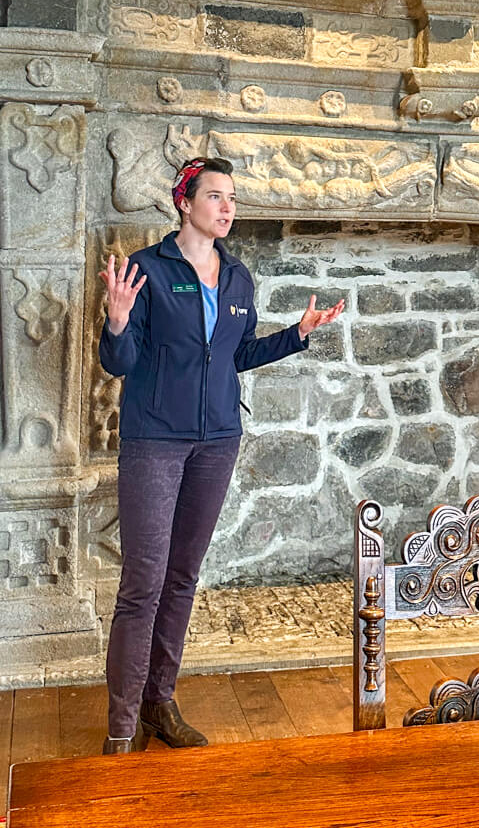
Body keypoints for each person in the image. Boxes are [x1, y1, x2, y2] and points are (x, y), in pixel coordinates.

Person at [98, 156, 344, 754]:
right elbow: (120, 364)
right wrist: (117, 319)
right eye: (215, 196)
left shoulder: (237, 278)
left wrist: (298, 335)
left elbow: (234, 357)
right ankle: (122, 726)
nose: (227, 207)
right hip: (155, 441)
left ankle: (160, 701)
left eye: (232, 197)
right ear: (185, 202)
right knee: (143, 585)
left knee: (182, 578)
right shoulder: (146, 270)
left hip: (217, 443)